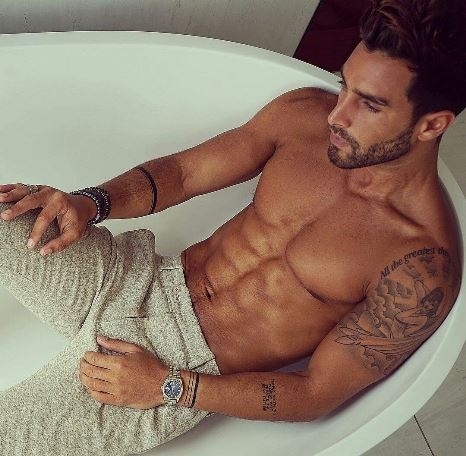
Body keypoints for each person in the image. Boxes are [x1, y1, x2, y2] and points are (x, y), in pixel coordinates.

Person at [0, 0, 464, 454]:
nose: (337, 115)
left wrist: (168, 386)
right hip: (135, 275)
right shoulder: (304, 117)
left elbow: (315, 393)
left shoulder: (417, 269)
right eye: (345, 85)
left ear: (431, 125)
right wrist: (89, 203)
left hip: (172, 363)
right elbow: (183, 174)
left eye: (369, 105)